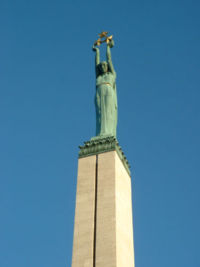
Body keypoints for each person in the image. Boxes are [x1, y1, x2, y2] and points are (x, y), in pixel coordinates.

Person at [92, 40, 118, 138]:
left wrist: (108, 47)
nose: (102, 66)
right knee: (100, 113)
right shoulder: (98, 77)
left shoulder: (111, 74)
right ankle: (100, 133)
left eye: (104, 65)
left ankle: (108, 133)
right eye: (101, 65)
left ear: (107, 67)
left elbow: (109, 59)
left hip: (108, 92)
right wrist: (97, 51)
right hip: (99, 92)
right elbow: (96, 63)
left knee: (108, 112)